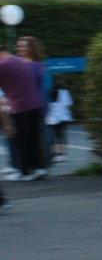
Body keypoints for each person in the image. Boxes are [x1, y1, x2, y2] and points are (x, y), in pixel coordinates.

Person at [0, 44, 46, 181]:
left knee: (21, 140)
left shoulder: (3, 65)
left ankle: (25, 172)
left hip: (20, 105)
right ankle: (39, 167)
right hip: (35, 103)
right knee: (33, 138)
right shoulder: (20, 61)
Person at [46, 74, 74, 162]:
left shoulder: (47, 92)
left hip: (50, 117)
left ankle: (55, 154)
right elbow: (68, 105)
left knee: (52, 136)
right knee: (61, 135)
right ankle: (63, 154)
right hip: (63, 116)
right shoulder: (65, 92)